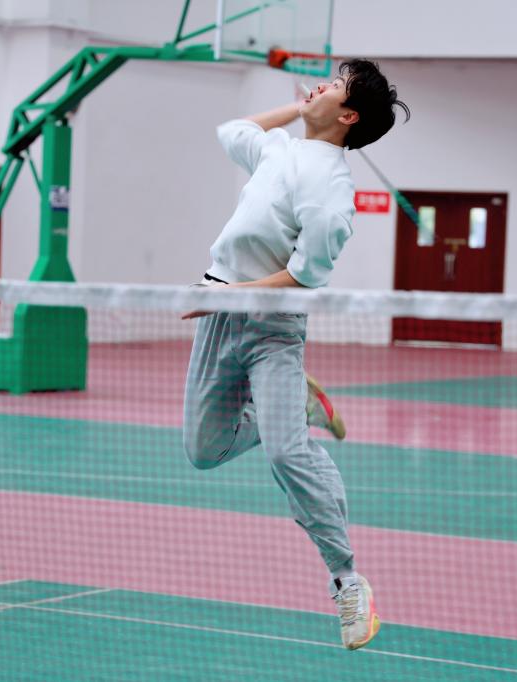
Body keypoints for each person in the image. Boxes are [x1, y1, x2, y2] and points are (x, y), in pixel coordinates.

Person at [182, 59, 409, 650]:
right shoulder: (279, 149)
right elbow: (234, 130)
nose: (320, 86)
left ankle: (347, 579)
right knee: (203, 451)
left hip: (272, 327)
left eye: (334, 87)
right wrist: (299, 108)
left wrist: (232, 296)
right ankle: (297, 407)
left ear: (348, 115)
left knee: (287, 455)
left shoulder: (332, 189)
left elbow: (306, 276)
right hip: (219, 312)